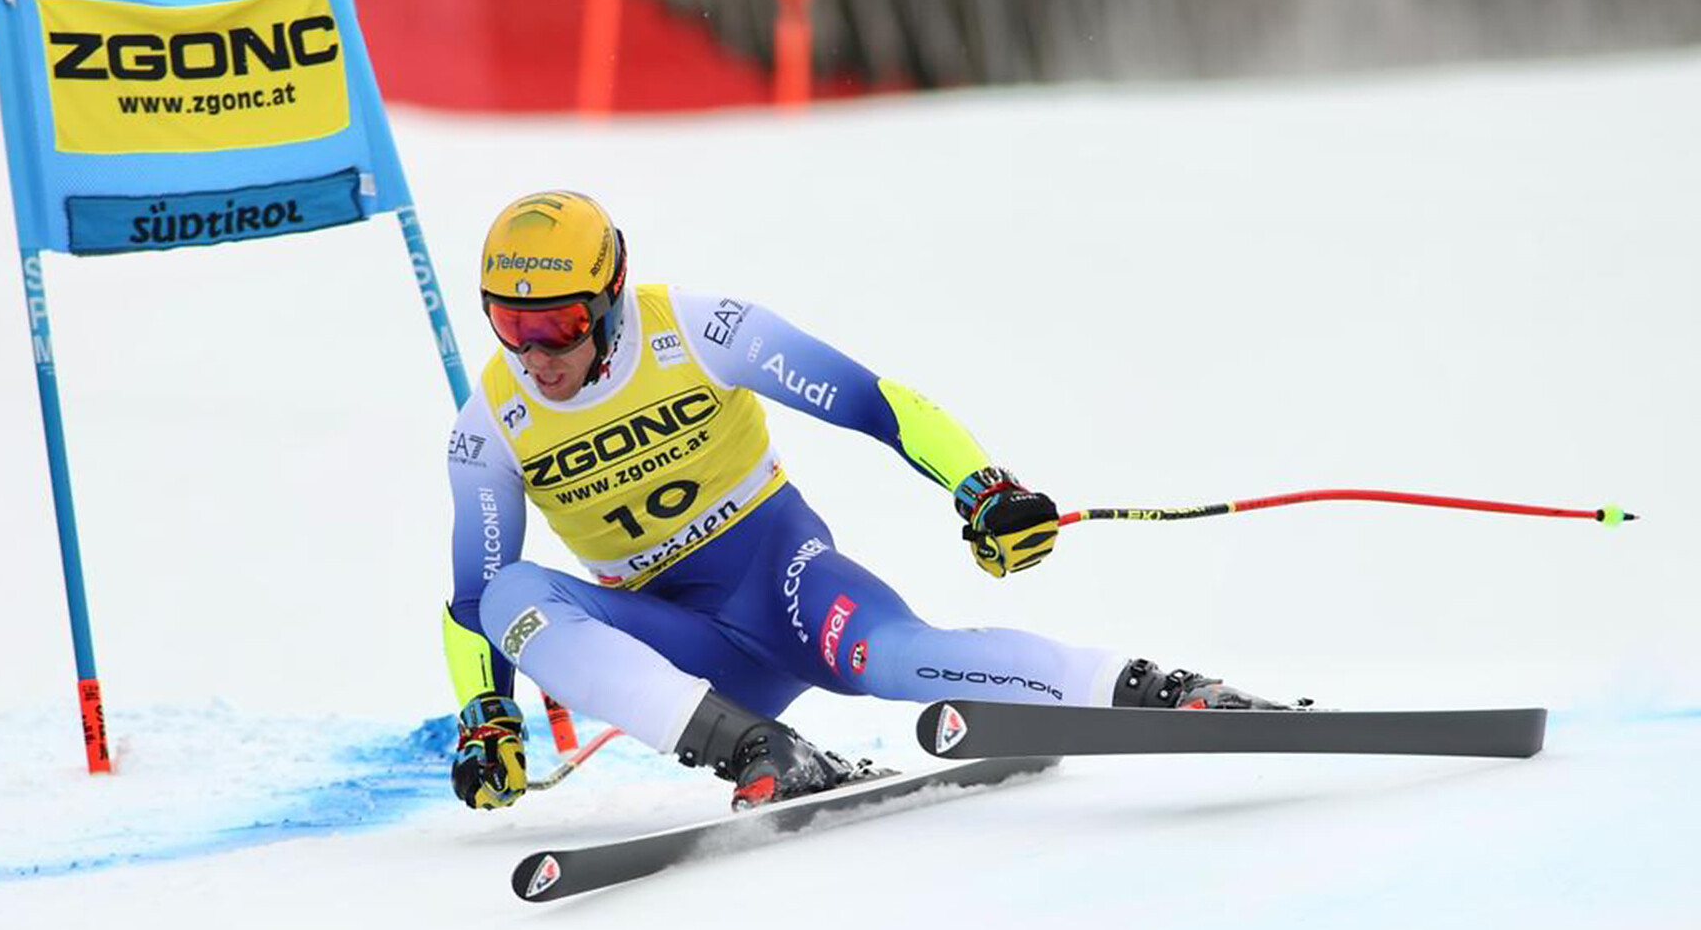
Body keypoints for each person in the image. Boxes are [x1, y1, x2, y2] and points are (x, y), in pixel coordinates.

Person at [443, 191, 1288, 813]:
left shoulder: (705, 332)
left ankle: (1157, 690)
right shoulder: (488, 428)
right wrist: (487, 718)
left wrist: (984, 489)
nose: (535, 353)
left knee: (900, 658)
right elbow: (475, 603)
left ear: (611, 297)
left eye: (556, 325)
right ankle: (756, 750)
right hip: (686, 652)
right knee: (514, 597)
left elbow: (876, 404)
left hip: (781, 582)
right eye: (508, 326)